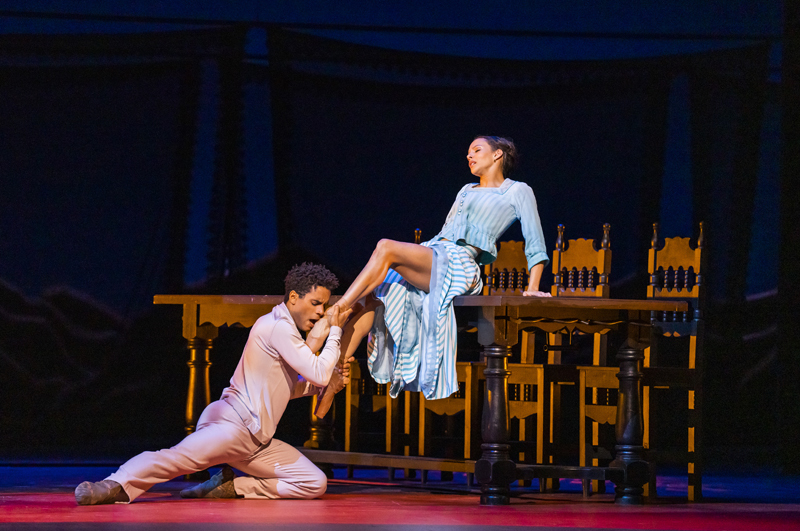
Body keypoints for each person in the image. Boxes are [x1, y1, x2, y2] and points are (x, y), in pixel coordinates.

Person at [74, 263, 352, 505]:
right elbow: (318, 372)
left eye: (325, 306)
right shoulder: (277, 326)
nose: (321, 312)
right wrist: (336, 330)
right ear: (293, 297)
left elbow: (286, 388)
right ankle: (113, 485)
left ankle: (233, 487)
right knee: (177, 458)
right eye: (316, 303)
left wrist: (322, 387)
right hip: (233, 427)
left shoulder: (286, 331)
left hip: (255, 442)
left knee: (314, 482)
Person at [336, 136, 551, 401]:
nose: (469, 156)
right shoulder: (466, 190)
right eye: (468, 152)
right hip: (436, 252)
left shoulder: (517, 191)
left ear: (498, 155)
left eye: (476, 150)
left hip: (460, 263)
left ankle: (335, 312)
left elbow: (535, 241)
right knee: (377, 294)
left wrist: (533, 287)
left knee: (385, 248)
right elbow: (444, 233)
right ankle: (336, 369)